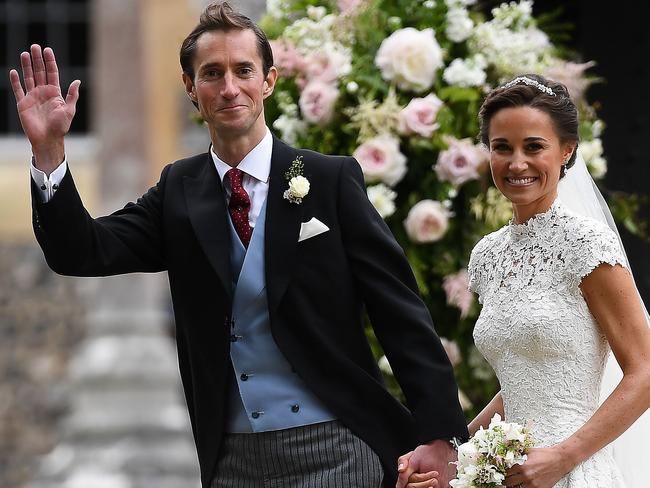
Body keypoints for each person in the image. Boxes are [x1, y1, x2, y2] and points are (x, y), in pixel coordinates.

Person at [8, 2, 468, 487]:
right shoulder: (179, 190)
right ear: (191, 88)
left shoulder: (329, 180)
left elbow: (400, 312)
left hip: (338, 445)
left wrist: (440, 434)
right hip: (232, 460)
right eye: (212, 73)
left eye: (243, 70)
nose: (229, 88)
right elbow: (82, 251)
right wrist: (49, 152)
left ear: (268, 81)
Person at [401, 73, 650, 488]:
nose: (517, 164)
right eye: (502, 147)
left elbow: (644, 371)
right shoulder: (488, 255)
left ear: (566, 151)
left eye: (534, 146)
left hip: (574, 470)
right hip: (507, 473)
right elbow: (521, 382)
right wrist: (451, 456)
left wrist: (562, 457)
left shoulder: (587, 245)